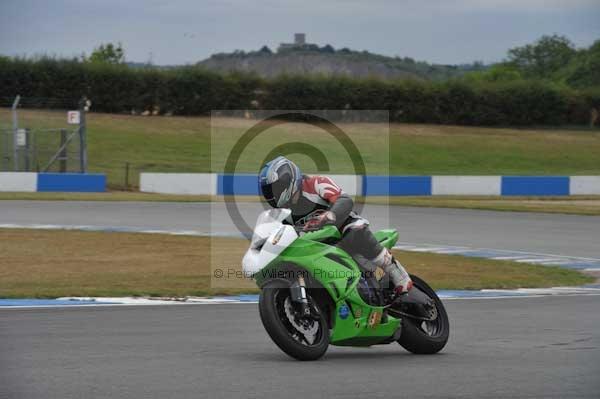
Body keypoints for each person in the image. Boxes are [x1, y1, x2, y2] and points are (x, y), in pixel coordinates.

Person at [258, 156, 413, 296]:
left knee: (354, 231)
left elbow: (344, 200)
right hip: (320, 245)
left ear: (287, 180)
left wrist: (329, 215)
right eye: (268, 191)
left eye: (275, 189)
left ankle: (394, 270)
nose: (272, 195)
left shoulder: (315, 184)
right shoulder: (283, 213)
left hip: (343, 228)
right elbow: (279, 235)